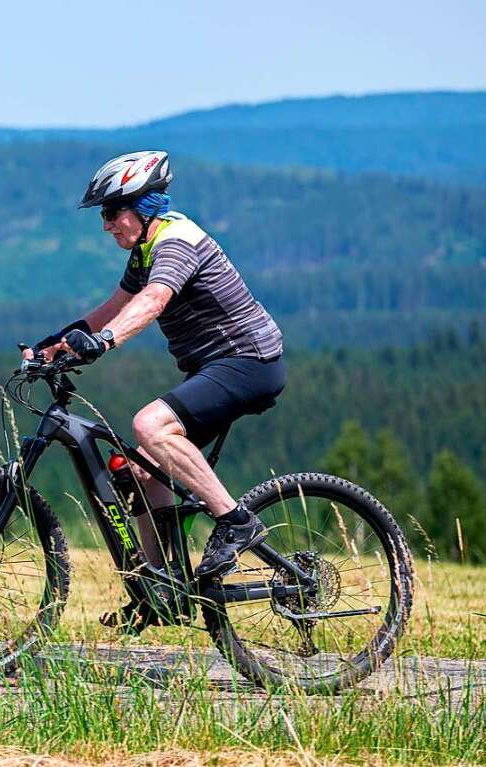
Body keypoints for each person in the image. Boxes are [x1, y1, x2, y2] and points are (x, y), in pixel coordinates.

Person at [24, 150, 286, 633]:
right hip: (216, 367)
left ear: (142, 206)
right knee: (146, 469)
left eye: (110, 212)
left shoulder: (176, 240)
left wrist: (104, 342)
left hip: (249, 362)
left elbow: (153, 300)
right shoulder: (144, 250)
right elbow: (115, 304)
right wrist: (55, 346)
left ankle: (236, 521)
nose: (105, 225)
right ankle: (159, 590)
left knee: (149, 424)